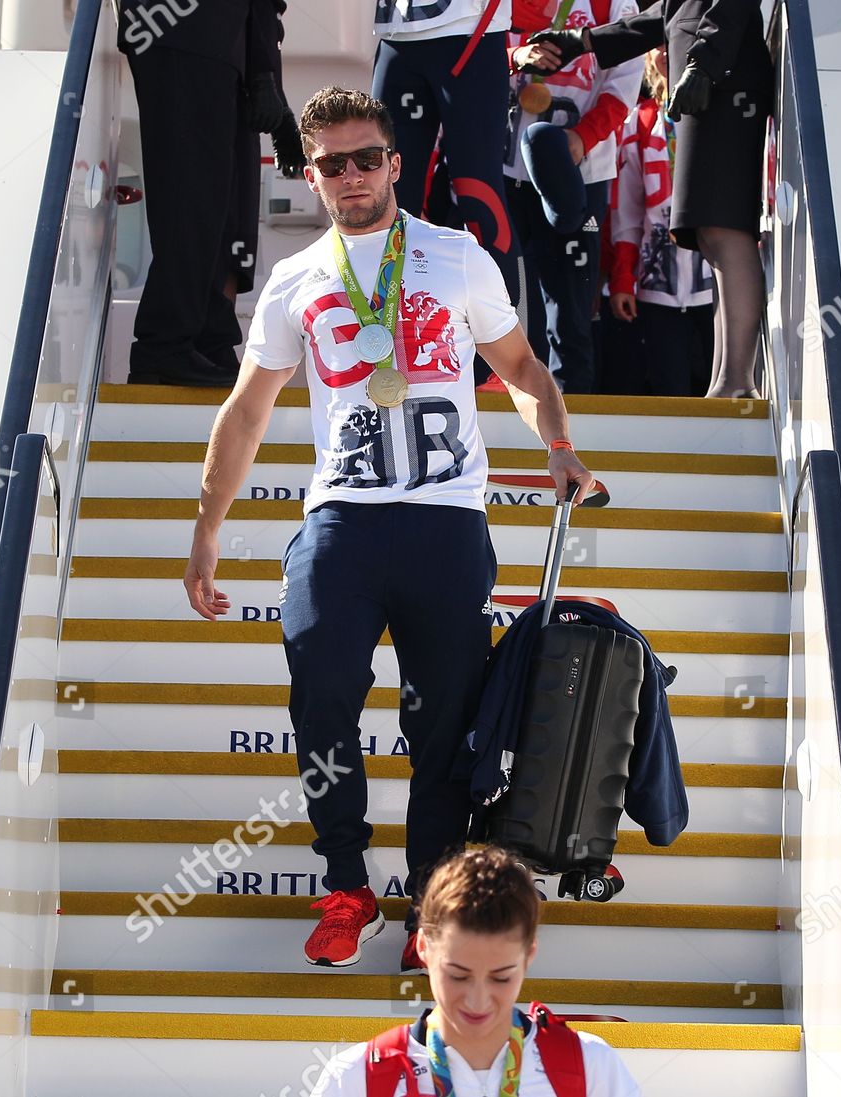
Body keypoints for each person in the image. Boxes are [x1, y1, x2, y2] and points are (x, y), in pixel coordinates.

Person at [182, 87, 596, 974]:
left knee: (443, 725)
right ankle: (346, 885)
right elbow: (247, 411)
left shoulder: (454, 257)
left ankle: (429, 902)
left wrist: (557, 442)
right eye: (332, 163)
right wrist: (206, 531)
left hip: (447, 520)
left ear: (395, 162)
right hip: (343, 522)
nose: (353, 175)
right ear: (311, 173)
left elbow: (520, 366)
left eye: (368, 157)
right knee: (320, 691)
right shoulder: (295, 279)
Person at [525, 0, 770, 398]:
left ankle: (739, 382)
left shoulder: (709, 62)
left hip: (724, 80)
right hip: (703, 77)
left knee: (726, 229)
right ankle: (725, 380)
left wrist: (704, 64)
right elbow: (666, 14)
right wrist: (580, 41)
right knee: (710, 236)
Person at [307, 846, 642, 1097]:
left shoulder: (592, 1067)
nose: (478, 999)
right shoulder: (355, 1078)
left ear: (529, 955)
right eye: (458, 974)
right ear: (422, 948)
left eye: (500, 976)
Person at [120, 0, 289, 386]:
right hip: (182, 29)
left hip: (222, 39)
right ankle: (165, 344)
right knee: (192, 194)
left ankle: (207, 338)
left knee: (226, 204)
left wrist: (263, 71)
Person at [505, 0, 642, 394]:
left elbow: (625, 82)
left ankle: (571, 429)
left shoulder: (615, 4)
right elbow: (467, 47)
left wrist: (583, 138)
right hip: (506, 172)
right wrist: (516, 55)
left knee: (571, 312)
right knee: (500, 302)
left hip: (581, 171)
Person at [371, 0, 529, 307]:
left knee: (478, 194)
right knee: (386, 194)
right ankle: (383, 330)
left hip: (471, 30)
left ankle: (515, 343)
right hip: (396, 32)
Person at [606, 46, 715, 396]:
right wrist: (623, 278)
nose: (667, 50)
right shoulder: (640, 121)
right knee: (672, 388)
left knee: (721, 387)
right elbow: (627, 211)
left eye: (675, 39)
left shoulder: (720, 112)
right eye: (657, 43)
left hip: (717, 279)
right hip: (658, 284)